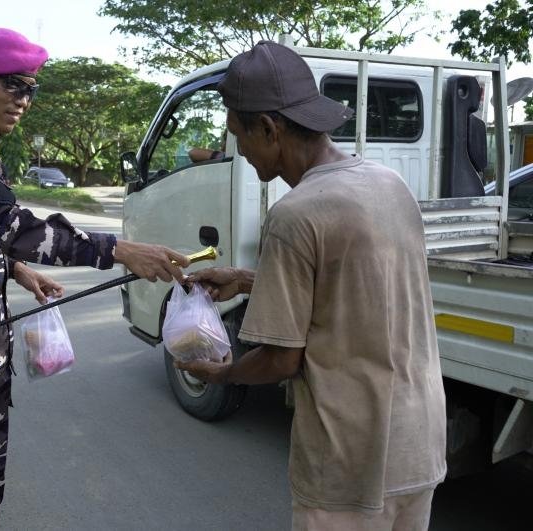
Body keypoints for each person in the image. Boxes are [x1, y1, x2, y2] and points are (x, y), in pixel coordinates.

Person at [0, 27, 189, 529]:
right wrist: (118, 250)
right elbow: (9, 224)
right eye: (13, 84)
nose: (24, 100)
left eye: (31, 89)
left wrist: (17, 269)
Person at [176, 41, 447, 531]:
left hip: (349, 462)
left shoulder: (295, 215)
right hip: (418, 445)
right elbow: (353, 294)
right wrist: (244, 279)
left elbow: (283, 360)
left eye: (238, 134)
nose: (238, 148)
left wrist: (224, 374)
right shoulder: (387, 184)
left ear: (269, 129)